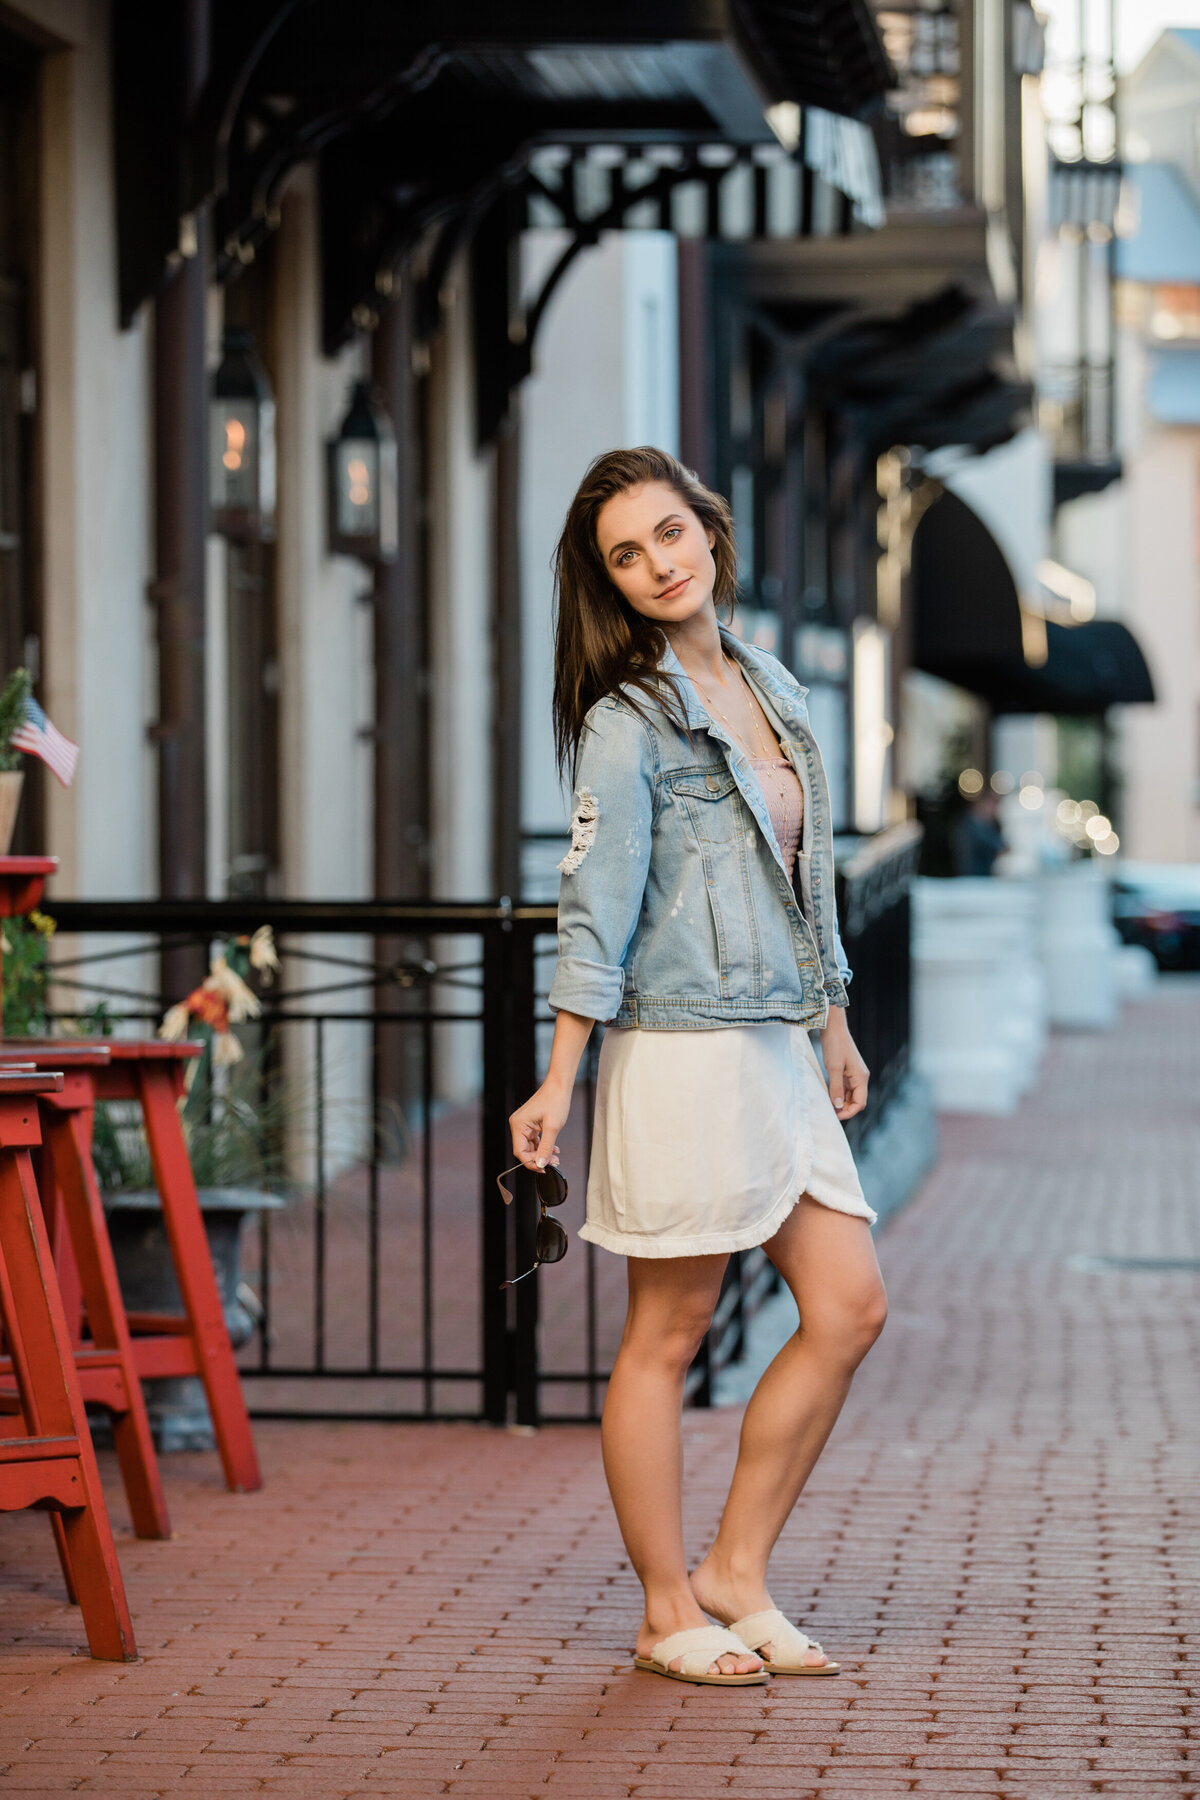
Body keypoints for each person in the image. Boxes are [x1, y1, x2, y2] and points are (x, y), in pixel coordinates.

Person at [509, 447, 887, 1688]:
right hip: (677, 1049)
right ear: (609, 584)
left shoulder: (772, 685)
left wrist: (830, 1015)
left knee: (847, 1308)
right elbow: (593, 908)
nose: (660, 563)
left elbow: (802, 873)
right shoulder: (626, 720)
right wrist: (560, 1076)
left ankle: (737, 1568)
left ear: (709, 533)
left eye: (670, 533)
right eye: (628, 553)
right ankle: (667, 1606)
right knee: (666, 1337)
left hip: (777, 1041)